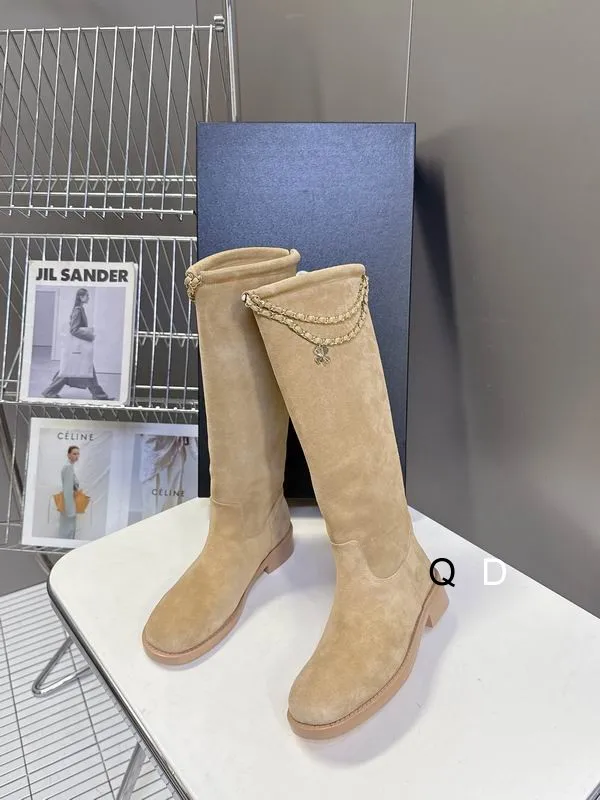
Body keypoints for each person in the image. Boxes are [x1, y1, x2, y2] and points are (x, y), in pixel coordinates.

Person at [42, 288, 112, 400]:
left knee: (77, 370)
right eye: (87, 295)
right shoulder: (78, 310)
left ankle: (99, 395)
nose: (88, 297)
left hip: (78, 347)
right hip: (78, 347)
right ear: (81, 297)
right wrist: (89, 335)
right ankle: (99, 395)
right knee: (78, 370)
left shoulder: (80, 309)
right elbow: (73, 330)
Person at [58, 445, 80, 539]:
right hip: (69, 505)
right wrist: (71, 511)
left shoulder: (70, 467)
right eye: (74, 454)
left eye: (78, 454)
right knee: (68, 530)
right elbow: (67, 489)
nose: (77, 456)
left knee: (68, 529)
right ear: (68, 455)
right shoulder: (68, 467)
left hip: (69, 503)